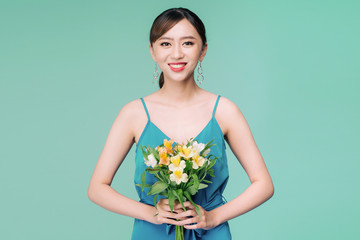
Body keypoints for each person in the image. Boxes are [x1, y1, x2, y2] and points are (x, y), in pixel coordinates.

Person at [88, 7, 274, 240]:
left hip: (211, 233)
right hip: (151, 232)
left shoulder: (225, 111)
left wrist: (214, 217)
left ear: (203, 50)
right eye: (165, 44)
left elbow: (264, 184)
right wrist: (151, 212)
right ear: (152, 51)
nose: (176, 54)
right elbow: (97, 188)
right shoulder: (133, 114)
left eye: (187, 43)